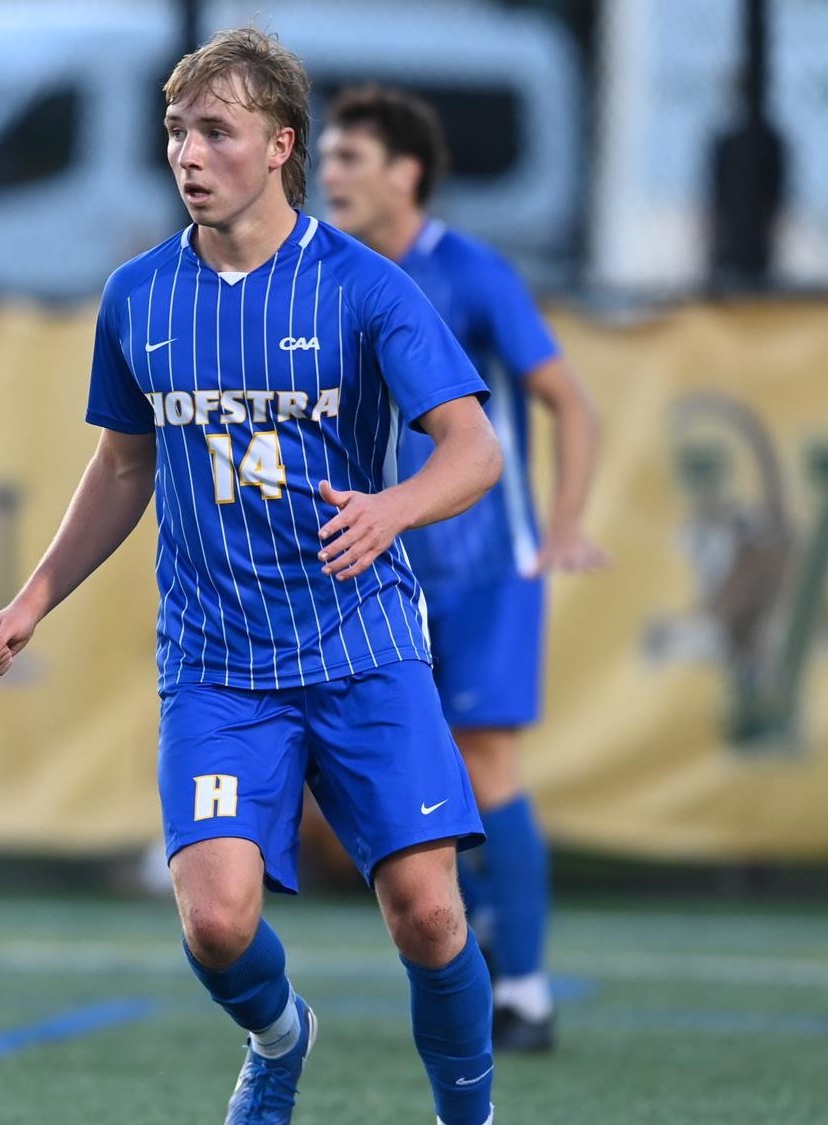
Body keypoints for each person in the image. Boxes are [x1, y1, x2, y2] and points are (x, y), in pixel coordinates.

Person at [0, 28, 503, 1125]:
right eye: (176, 131)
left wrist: (391, 508)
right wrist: (32, 597)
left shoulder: (364, 288)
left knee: (427, 914)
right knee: (215, 923)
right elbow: (124, 466)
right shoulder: (138, 296)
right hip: (217, 666)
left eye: (215, 131)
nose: (188, 153)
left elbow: (473, 449)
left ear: (280, 146)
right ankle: (279, 1038)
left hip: (361, 645)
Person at [319, 85, 609, 1053]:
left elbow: (569, 401)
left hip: (482, 569)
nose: (328, 175)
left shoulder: (471, 272)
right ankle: (479, 934)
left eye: (349, 158)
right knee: (400, 771)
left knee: (486, 763)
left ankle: (523, 993)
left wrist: (561, 524)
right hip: (374, 569)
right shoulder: (325, 276)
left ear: (406, 173)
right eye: (325, 157)